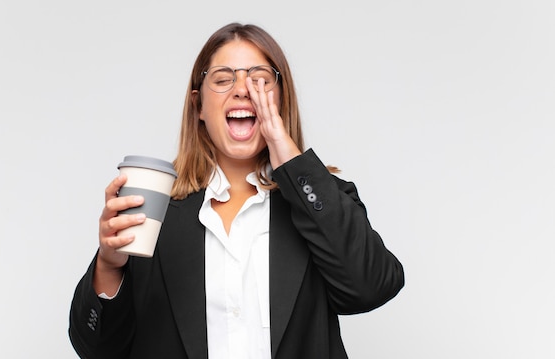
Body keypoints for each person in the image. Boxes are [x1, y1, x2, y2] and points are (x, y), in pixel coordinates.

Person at [69, 22, 404, 359]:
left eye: (259, 79)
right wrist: (109, 266)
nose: (243, 89)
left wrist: (289, 154)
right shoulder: (155, 212)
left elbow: (370, 288)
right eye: (223, 78)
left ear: (281, 100)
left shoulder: (320, 199)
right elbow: (98, 349)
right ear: (199, 106)